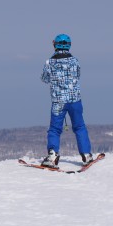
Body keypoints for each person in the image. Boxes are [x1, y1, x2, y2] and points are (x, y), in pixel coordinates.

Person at [40, 34, 94, 168]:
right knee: (79, 126)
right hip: (75, 100)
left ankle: (52, 155)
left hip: (59, 102)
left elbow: (44, 79)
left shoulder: (50, 62)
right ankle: (86, 154)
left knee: (54, 129)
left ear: (55, 45)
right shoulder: (75, 61)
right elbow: (78, 75)